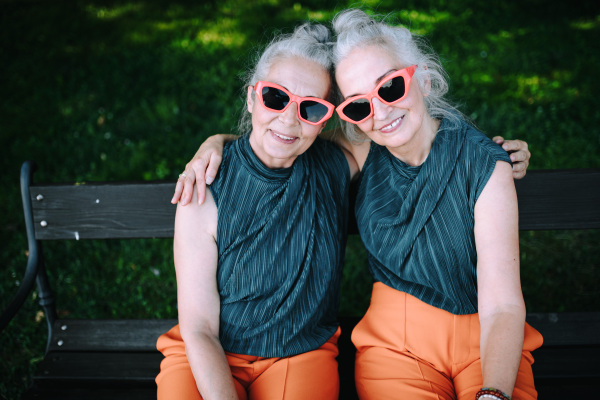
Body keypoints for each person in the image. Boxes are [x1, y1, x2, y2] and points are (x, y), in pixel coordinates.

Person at [173, 9, 541, 400]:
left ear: (426, 80)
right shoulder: (365, 149)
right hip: (394, 342)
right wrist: (217, 142)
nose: (379, 112)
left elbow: (502, 304)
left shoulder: (462, 161)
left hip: (477, 337)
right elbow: (275, 141)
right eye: (359, 106)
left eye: (391, 87)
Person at [156, 23, 359, 400]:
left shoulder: (334, 164)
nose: (288, 119)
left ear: (327, 119)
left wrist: (486, 152)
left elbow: (402, 127)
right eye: (275, 97)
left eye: (311, 108)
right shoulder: (207, 182)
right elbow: (198, 327)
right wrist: (215, 144)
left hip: (300, 352)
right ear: (252, 98)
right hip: (206, 349)